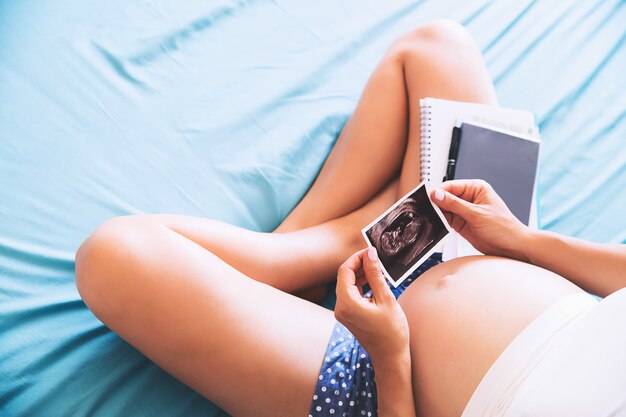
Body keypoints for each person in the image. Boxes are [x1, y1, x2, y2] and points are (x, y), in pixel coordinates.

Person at [74, 20, 626, 417]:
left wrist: (390, 356)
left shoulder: (385, 365)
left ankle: (326, 244)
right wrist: (525, 241)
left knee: (112, 255)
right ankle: (338, 240)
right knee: (436, 47)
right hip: (490, 246)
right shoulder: (516, 243)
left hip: (380, 379)